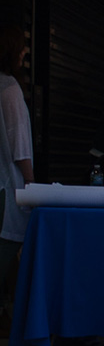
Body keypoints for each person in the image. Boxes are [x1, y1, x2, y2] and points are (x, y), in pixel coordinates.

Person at [0, 24, 34, 292]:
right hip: (7, 188)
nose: (25, 51)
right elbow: (20, 146)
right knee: (6, 247)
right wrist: (33, 185)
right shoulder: (10, 90)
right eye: (21, 45)